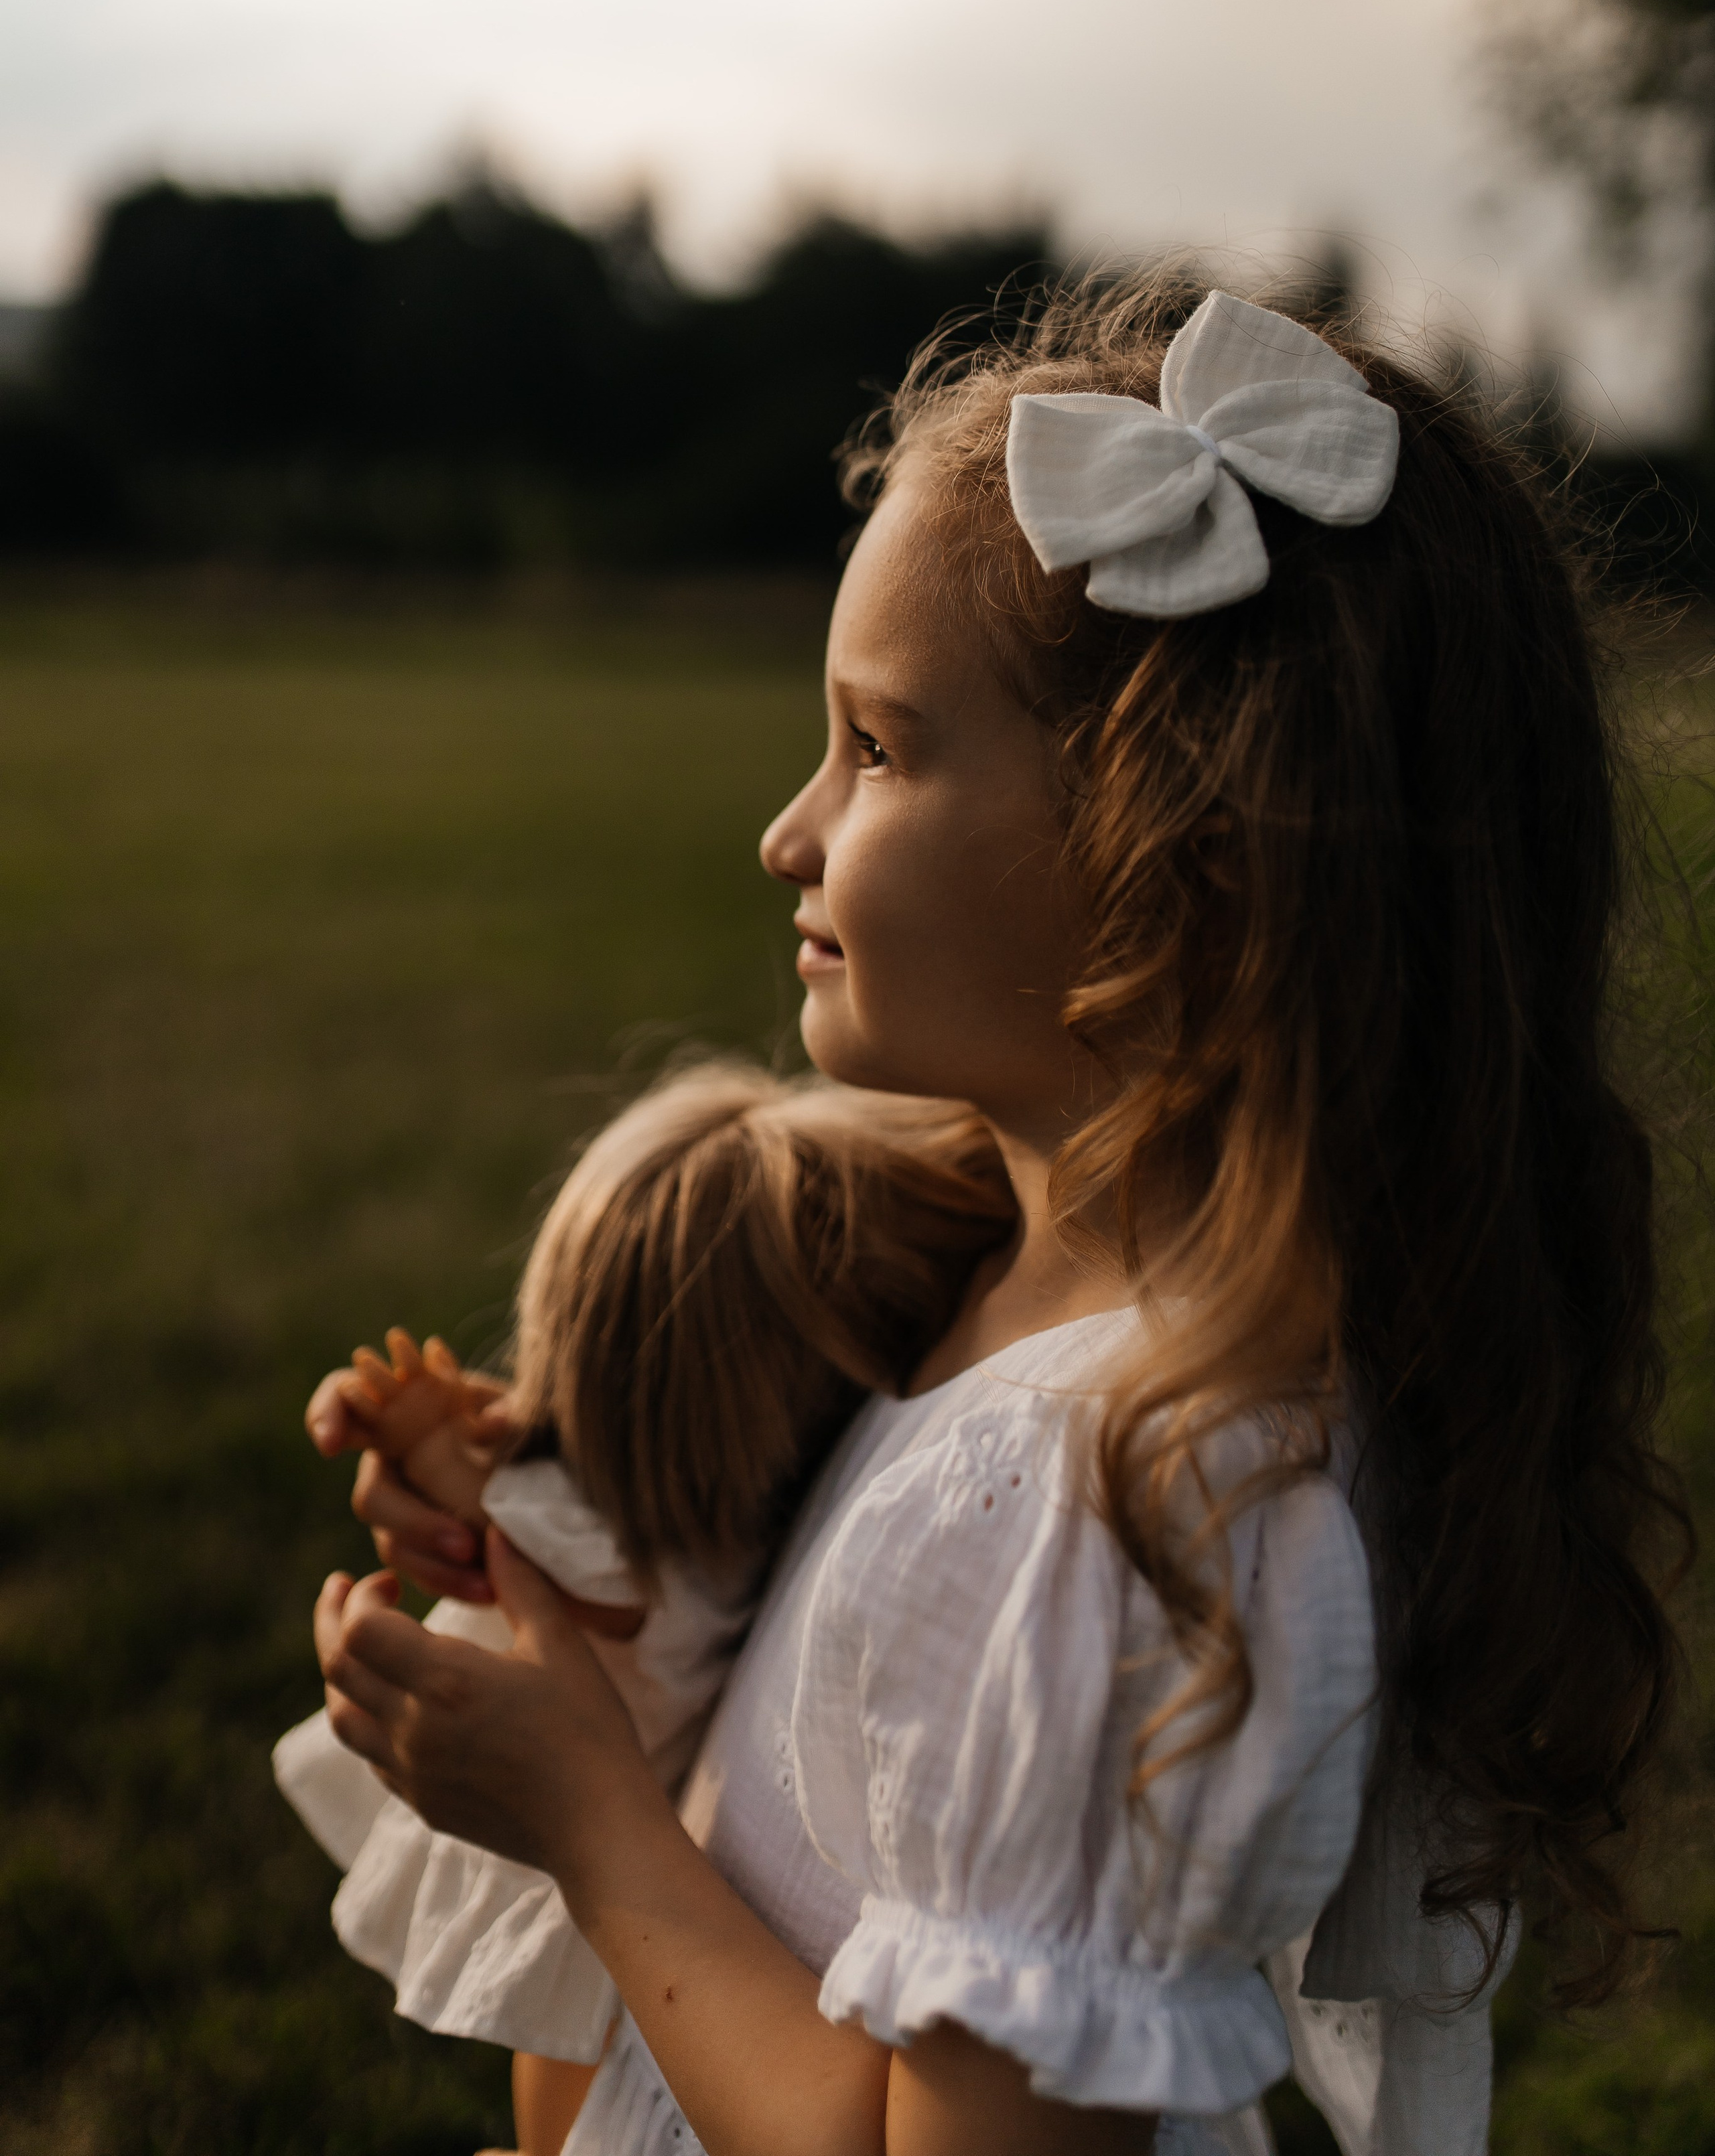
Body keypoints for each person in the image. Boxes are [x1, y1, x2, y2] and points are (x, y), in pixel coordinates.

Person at [307, 279, 1686, 2155]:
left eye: (876, 747)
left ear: (1178, 858)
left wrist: (589, 1824)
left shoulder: (1124, 1503)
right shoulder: (1002, 1281)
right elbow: (828, 1744)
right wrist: (533, 1553)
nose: (790, 832)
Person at [286, 1064, 1012, 2155]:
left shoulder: (634, 1551)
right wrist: (446, 1447)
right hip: (637, 1855)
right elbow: (513, 1517)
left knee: (582, 2055)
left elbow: (516, 1519)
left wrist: (437, 1443)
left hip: (636, 1860)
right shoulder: (674, 1542)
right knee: (580, 2040)